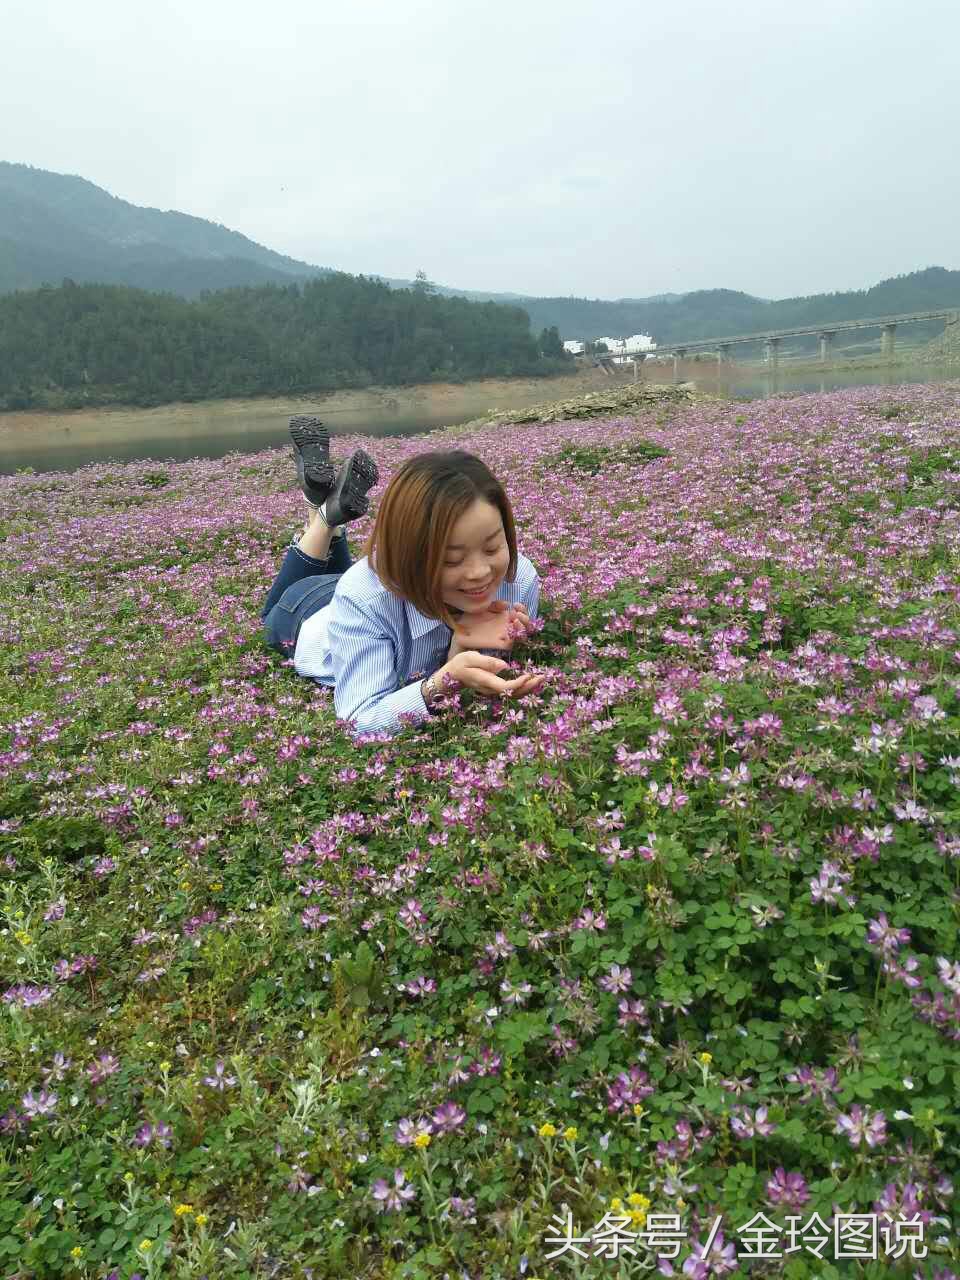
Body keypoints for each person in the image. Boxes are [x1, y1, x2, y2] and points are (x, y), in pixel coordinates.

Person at [261, 416, 547, 736]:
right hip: (304, 611)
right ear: (407, 555)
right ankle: (326, 518)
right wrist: (442, 682)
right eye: (451, 559)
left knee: (347, 576)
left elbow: (484, 661)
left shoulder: (519, 579)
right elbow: (359, 723)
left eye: (492, 548)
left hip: (356, 590)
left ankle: (327, 513)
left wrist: (508, 644)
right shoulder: (363, 598)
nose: (480, 572)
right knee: (269, 615)